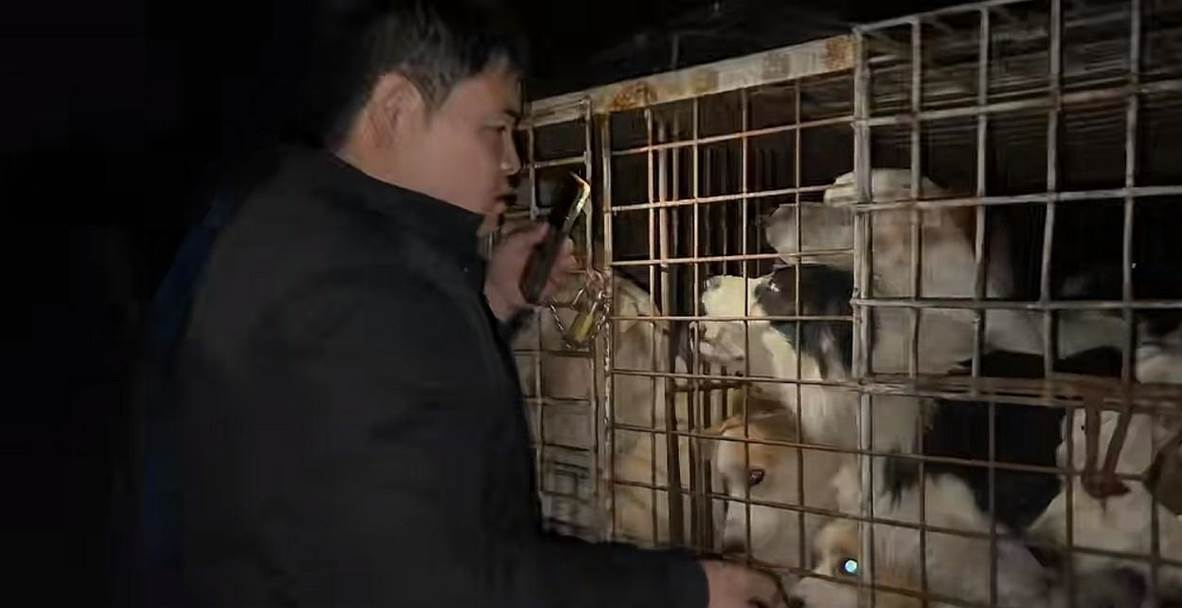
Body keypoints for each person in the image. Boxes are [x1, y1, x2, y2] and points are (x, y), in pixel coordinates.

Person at [172, 1, 785, 607]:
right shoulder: (351, 290)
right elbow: (438, 587)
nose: (513, 161)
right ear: (396, 110)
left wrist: (491, 299)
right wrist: (687, 591)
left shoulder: (309, 239)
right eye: (495, 129)